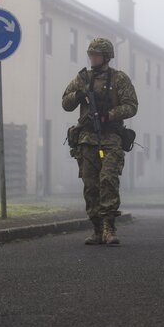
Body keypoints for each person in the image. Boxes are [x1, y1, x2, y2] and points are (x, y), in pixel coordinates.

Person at [62, 38, 138, 246]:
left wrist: (109, 114)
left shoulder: (119, 79)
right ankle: (96, 228)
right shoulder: (83, 78)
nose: (92, 58)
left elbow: (131, 106)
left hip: (111, 139)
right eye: (91, 55)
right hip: (87, 140)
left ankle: (109, 227)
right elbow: (65, 103)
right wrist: (78, 96)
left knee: (108, 180)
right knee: (90, 185)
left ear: (106, 57)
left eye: (96, 55)